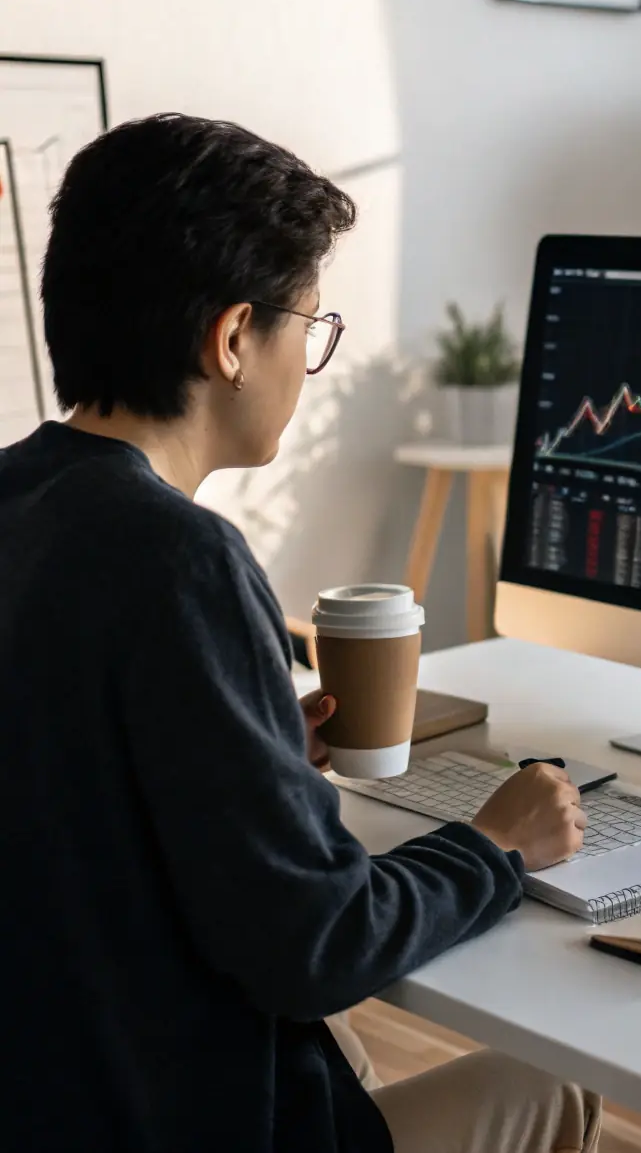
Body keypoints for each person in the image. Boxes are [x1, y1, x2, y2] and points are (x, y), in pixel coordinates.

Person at [0, 114, 601, 1153]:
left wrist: (260, 752)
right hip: (163, 1116)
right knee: (554, 1090)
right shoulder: (180, 558)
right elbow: (317, 945)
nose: (309, 358)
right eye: (310, 326)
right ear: (234, 338)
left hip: (52, 1090)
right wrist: (495, 845)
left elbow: (71, 781)